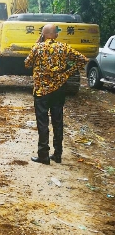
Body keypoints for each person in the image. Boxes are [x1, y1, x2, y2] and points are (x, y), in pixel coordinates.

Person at [24, 23, 88, 165]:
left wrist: (37, 43)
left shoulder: (38, 48)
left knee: (43, 123)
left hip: (41, 91)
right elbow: (83, 60)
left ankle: (43, 156)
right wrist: (67, 73)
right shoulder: (63, 47)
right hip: (59, 90)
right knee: (58, 121)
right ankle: (58, 154)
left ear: (43, 34)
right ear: (55, 35)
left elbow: (27, 63)